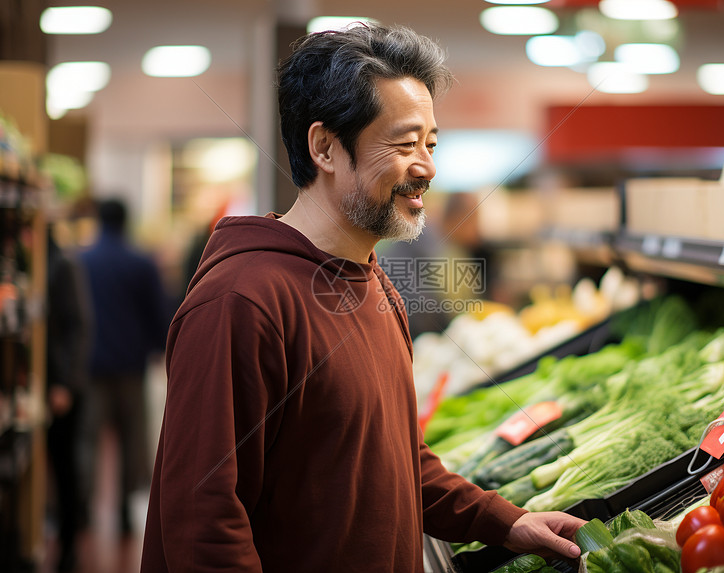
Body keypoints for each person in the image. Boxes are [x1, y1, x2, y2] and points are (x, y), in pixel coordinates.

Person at [141, 24, 585, 572]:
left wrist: (504, 521)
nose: (427, 167)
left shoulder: (375, 285)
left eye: (430, 144)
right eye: (404, 145)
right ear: (325, 148)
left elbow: (396, 459)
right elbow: (201, 521)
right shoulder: (241, 301)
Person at [79, 197, 170, 534]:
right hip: (131, 365)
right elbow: (157, 311)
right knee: (132, 440)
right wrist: (163, 348)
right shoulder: (141, 263)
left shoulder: (82, 260)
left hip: (91, 366)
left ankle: (84, 511)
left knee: (88, 439)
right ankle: (123, 512)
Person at [46, 228, 92, 572]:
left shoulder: (62, 264)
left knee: (65, 467)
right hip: (44, 383)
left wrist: (64, 383)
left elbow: (78, 326)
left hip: (61, 386)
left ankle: (68, 545)